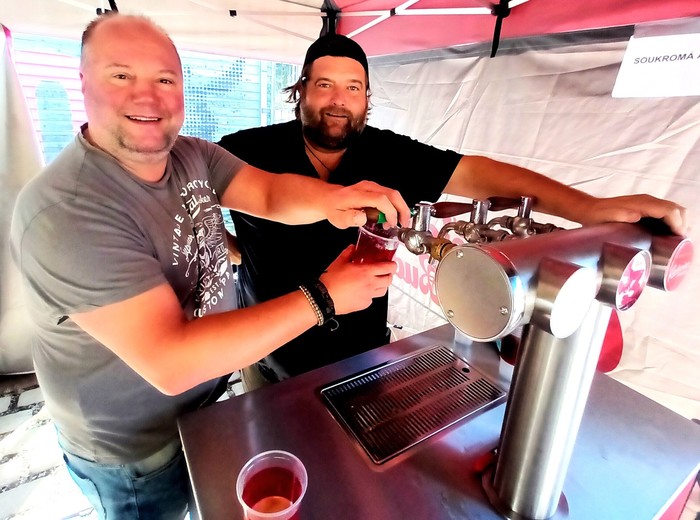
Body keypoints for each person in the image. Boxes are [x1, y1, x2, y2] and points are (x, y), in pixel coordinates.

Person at [10, 15, 411, 520]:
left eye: (164, 79)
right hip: (136, 451)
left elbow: (269, 192)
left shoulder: (190, 155)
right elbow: (173, 360)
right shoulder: (65, 211)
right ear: (84, 82)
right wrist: (325, 297)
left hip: (207, 407)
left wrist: (338, 199)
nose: (147, 96)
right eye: (121, 75)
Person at [217, 33, 687, 390]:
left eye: (353, 88)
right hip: (266, 347)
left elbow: (479, 174)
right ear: (301, 90)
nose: (339, 100)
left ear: (366, 98)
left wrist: (588, 208)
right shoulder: (245, 151)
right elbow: (193, 210)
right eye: (324, 85)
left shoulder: (387, 154)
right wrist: (238, 252)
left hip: (356, 357)